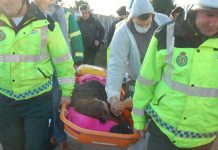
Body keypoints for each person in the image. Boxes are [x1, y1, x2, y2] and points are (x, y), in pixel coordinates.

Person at [132, 0, 218, 149]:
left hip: (203, 140)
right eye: (209, 14)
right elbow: (146, 81)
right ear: (195, 9)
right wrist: (138, 120)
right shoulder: (167, 34)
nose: (214, 23)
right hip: (162, 132)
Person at [0, 0, 75, 150]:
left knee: (36, 145)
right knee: (11, 145)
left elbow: (63, 60)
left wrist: (67, 91)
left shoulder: (47, 23)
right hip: (4, 100)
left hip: (38, 101)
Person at [106, 0, 170, 116]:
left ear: (153, 15)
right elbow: (116, 64)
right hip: (138, 81)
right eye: (140, 25)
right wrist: (113, 96)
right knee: (137, 115)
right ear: (131, 17)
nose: (144, 27)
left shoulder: (164, 21)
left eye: (147, 24)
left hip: (164, 81)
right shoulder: (122, 32)